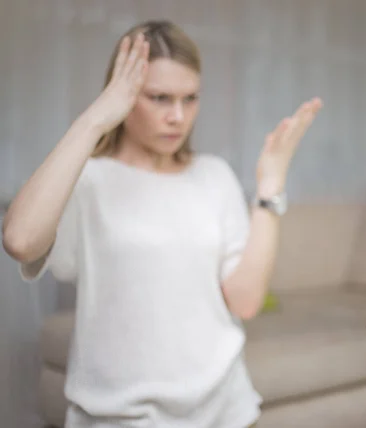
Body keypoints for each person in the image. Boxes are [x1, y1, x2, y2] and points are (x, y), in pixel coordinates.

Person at [2, 20, 322, 428]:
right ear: (122, 94)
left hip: (227, 410)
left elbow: (244, 301)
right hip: (117, 416)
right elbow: (20, 239)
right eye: (159, 98)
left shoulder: (213, 175)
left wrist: (271, 184)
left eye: (190, 99)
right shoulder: (87, 179)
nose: (178, 116)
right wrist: (97, 118)